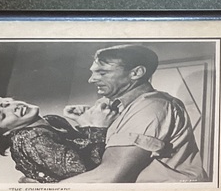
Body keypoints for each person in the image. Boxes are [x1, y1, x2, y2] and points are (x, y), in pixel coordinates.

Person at [62, 44, 206, 183]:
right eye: (93, 72)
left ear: (136, 73)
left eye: (102, 73)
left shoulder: (153, 107)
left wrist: (53, 190)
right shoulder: (110, 104)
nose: (91, 79)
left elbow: (108, 176)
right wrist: (86, 122)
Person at [0, 96, 116, 183]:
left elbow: (82, 150)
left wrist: (83, 121)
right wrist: (98, 127)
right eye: (2, 116)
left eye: (5, 104)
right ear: (4, 132)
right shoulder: (30, 140)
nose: (13, 108)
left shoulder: (51, 120)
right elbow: (90, 173)